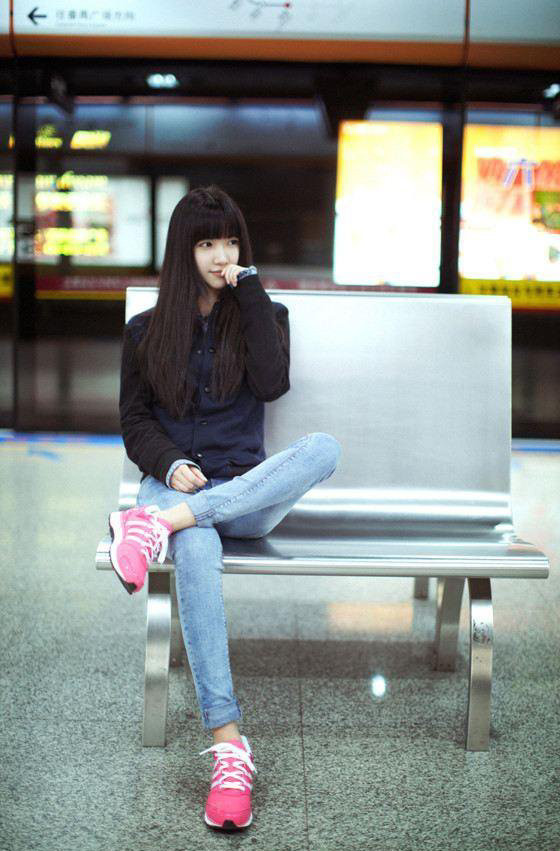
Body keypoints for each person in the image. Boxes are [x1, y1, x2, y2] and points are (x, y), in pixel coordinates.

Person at [108, 185, 341, 831]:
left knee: (324, 448)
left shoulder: (264, 314)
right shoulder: (145, 331)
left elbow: (271, 383)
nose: (221, 255)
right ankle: (228, 744)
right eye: (207, 243)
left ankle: (155, 527)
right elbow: (134, 422)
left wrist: (251, 292)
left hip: (243, 496)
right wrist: (169, 466)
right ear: (183, 251)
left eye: (231, 242)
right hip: (174, 487)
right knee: (196, 542)